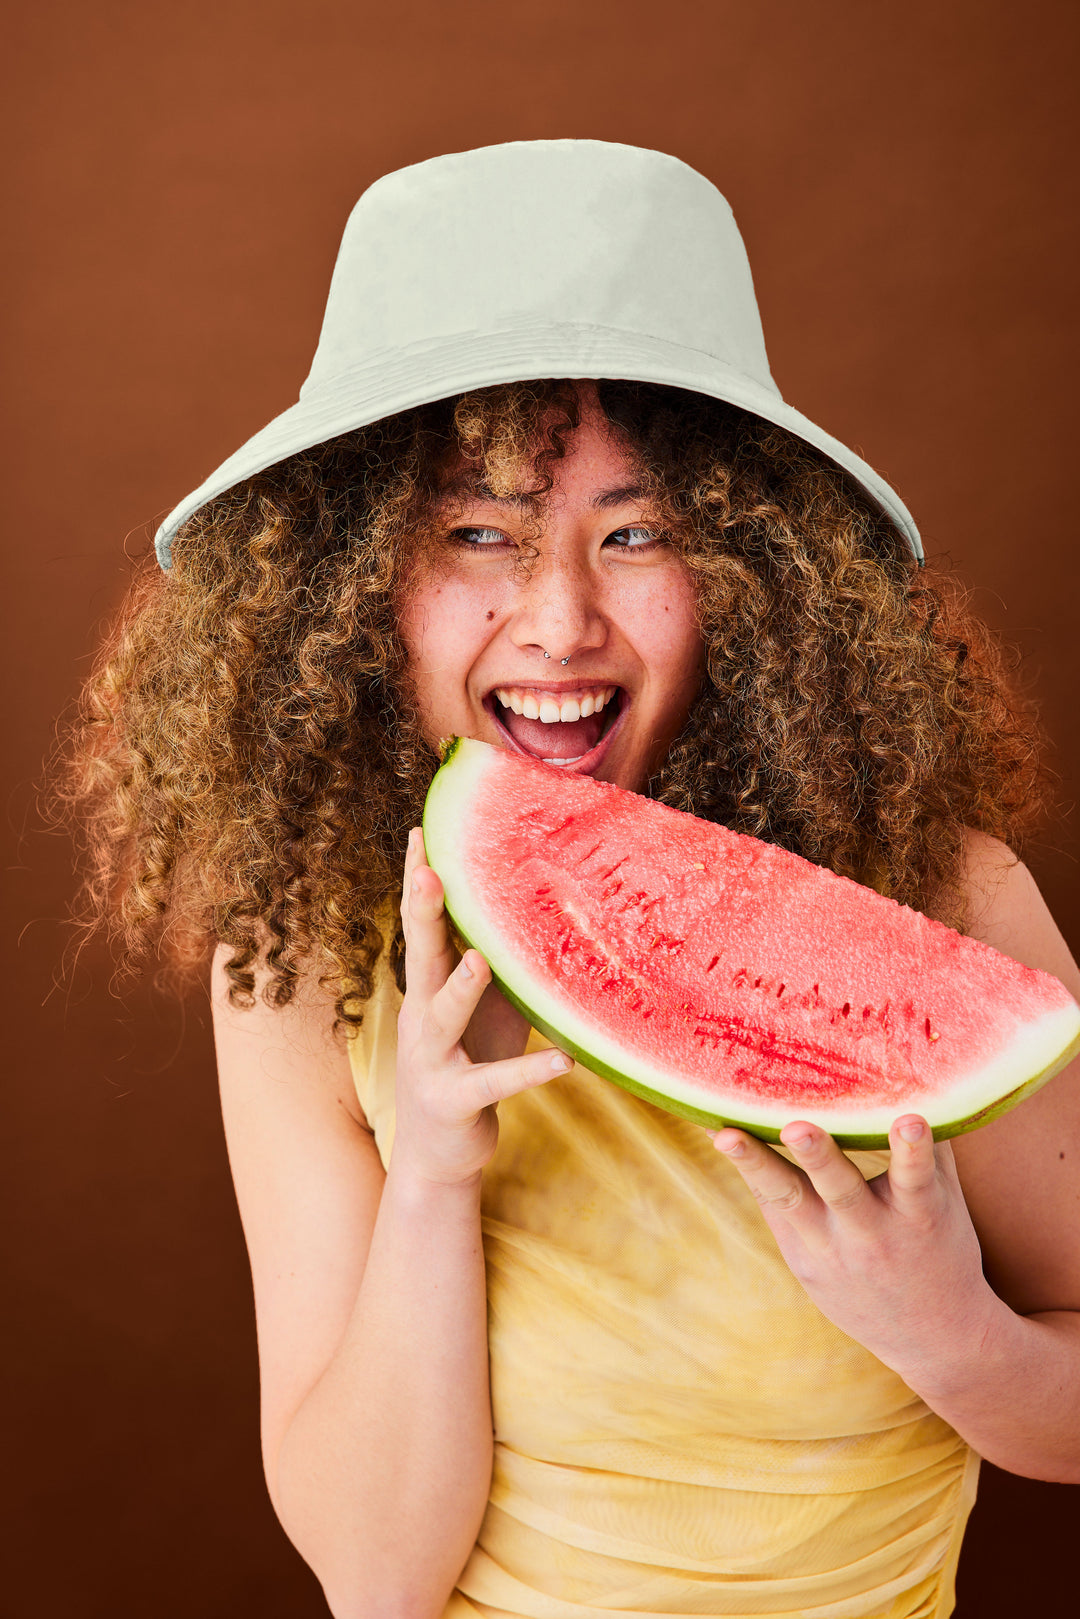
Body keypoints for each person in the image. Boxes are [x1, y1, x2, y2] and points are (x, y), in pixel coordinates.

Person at [67, 142, 1080, 1619]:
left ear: (755, 573)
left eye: (639, 531)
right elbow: (374, 1578)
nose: (559, 619)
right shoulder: (294, 969)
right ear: (352, 589)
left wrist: (947, 1332)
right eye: (477, 532)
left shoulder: (945, 900)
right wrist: (429, 1180)